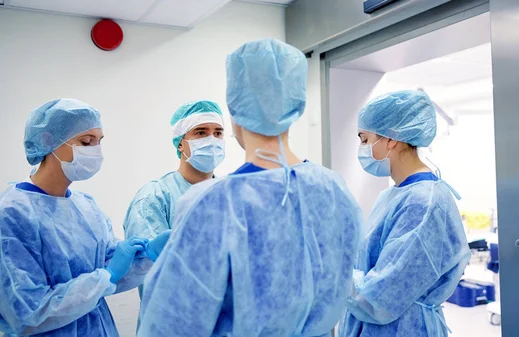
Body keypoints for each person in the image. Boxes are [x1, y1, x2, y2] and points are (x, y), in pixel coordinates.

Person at [138, 39, 363, 337]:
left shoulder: (213, 204)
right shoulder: (334, 190)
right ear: (296, 105)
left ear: (235, 113)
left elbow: (172, 325)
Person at [0, 99, 170, 337]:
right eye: (86, 142)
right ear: (49, 141)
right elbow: (27, 313)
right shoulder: (12, 215)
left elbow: (109, 275)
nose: (96, 151)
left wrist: (148, 255)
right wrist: (106, 276)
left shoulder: (86, 207)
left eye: (99, 142)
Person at [338, 90, 471, 337]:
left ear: (392, 139)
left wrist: (333, 271)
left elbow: (381, 296)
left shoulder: (424, 202)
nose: (362, 148)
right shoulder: (393, 195)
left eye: (365, 139)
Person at [123, 100, 225, 329]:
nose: (212, 140)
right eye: (201, 132)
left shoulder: (231, 194)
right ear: (181, 143)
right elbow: (154, 275)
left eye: (218, 133)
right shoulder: (155, 197)